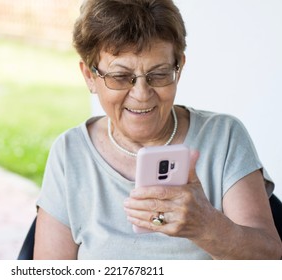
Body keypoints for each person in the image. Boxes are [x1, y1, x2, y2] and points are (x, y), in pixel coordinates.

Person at [34, 0, 282, 259]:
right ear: (89, 76)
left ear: (179, 67)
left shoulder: (223, 137)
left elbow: (268, 257)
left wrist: (207, 226)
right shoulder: (70, 153)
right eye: (120, 77)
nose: (142, 95)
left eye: (159, 75)